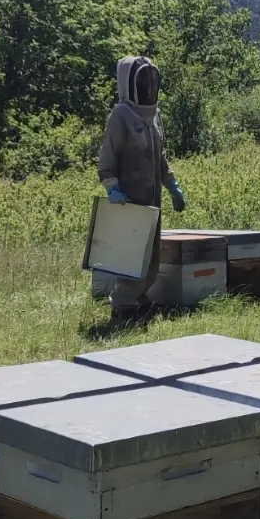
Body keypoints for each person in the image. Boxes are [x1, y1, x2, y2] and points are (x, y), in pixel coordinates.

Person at [97, 55, 187, 325]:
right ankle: (122, 307)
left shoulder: (155, 115)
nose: (148, 86)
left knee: (152, 260)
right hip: (128, 203)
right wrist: (112, 189)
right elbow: (107, 160)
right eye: (143, 80)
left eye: (151, 80)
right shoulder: (120, 116)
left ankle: (140, 300)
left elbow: (160, 158)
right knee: (130, 260)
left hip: (152, 202)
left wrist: (172, 185)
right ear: (129, 83)